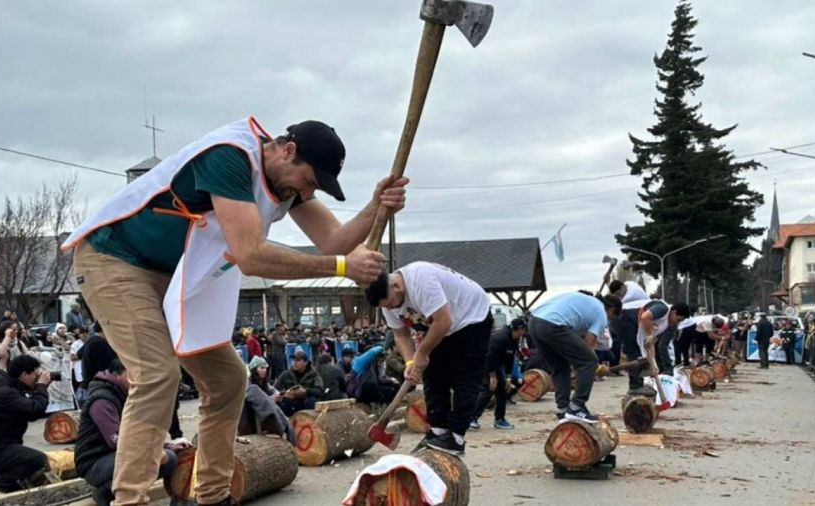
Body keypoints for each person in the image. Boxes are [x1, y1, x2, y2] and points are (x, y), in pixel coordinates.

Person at [61, 116, 408, 505]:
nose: (307, 192)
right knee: (158, 374)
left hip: (180, 272)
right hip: (114, 259)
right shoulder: (230, 156)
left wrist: (376, 207)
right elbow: (251, 255)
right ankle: (130, 499)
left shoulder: (287, 181)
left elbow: (334, 239)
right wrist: (343, 267)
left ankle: (213, 496)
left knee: (227, 378)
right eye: (309, 181)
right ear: (288, 151)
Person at [366, 262, 493, 455]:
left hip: (471, 317)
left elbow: (444, 320)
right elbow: (401, 335)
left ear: (397, 286)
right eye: (386, 306)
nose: (390, 308)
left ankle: (456, 437)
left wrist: (422, 353)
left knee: (465, 377)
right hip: (437, 324)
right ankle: (438, 429)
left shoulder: (421, 281)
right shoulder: (387, 302)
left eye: (391, 303)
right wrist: (411, 362)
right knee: (433, 374)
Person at [75, 359, 179, 506]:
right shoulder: (101, 400)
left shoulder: (128, 396)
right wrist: (151, 452)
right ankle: (106, 491)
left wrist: (168, 446)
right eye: (131, 374)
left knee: (170, 458)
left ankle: (178, 498)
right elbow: (116, 440)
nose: (137, 379)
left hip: (119, 453)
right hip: (95, 462)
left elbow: (145, 432)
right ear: (117, 375)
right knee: (148, 457)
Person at [529, 293, 621, 423]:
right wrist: (596, 368)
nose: (608, 323)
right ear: (611, 310)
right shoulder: (601, 313)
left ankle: (564, 409)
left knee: (560, 366)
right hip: (553, 324)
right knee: (589, 361)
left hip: (534, 322)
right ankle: (576, 407)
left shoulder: (588, 303)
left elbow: (577, 345)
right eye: (611, 318)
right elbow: (588, 343)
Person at [0, 355, 51, 492]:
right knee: (37, 460)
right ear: (24, 374)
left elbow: (30, 414)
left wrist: (39, 388)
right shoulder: (5, 393)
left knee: (17, 480)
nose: (37, 378)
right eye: (35, 374)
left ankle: (4, 490)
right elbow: (35, 410)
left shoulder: (8, 388)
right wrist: (41, 386)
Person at [470, 317, 527, 430]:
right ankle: (471, 418)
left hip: (497, 365)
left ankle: (499, 419)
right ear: (519, 329)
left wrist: (508, 377)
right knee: (489, 389)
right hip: (485, 363)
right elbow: (489, 357)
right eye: (524, 330)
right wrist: (492, 376)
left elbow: (509, 358)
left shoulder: (514, 339)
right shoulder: (500, 338)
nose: (525, 333)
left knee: (502, 390)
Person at [240, 357, 294, 443]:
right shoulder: (249, 384)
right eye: (261, 368)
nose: (264, 370)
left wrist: (280, 395)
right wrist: (272, 399)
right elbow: (257, 400)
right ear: (254, 369)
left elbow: (273, 390)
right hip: (249, 416)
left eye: (265, 368)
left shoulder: (264, 383)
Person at [637, 301, 690, 377]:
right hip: (633, 323)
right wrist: (649, 334)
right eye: (678, 320)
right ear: (674, 312)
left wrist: (653, 364)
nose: (677, 323)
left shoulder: (666, 325)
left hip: (641, 335)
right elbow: (645, 317)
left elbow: (650, 344)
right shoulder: (662, 309)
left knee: (648, 364)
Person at [274, 350, 324, 416]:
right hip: (291, 403)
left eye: (298, 361)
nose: (295, 363)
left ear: (305, 363)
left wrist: (306, 391)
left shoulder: (313, 374)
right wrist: (285, 394)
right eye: (293, 360)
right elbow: (275, 390)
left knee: (312, 401)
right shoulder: (286, 374)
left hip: (306, 403)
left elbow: (320, 391)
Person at [79, 322, 118, 389]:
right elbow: (108, 368)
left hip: (93, 386)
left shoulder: (93, 341)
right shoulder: (98, 344)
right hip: (98, 388)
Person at [70, 326, 90, 402]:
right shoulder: (75, 344)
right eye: (82, 333)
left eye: (86, 332)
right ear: (79, 334)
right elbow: (72, 357)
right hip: (79, 369)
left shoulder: (91, 342)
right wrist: (84, 355)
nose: (84, 334)